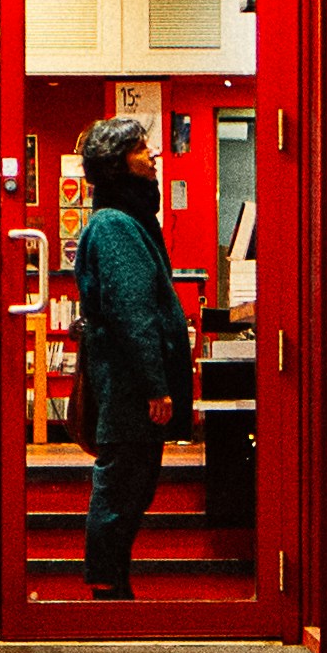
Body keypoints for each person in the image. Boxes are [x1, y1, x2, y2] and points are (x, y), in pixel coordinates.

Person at [73, 114, 194, 598]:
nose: (153, 156)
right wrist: (155, 385)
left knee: (132, 484)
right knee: (123, 485)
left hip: (128, 382)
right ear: (118, 163)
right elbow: (132, 310)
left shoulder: (126, 220)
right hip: (128, 386)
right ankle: (107, 587)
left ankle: (112, 582)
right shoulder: (117, 226)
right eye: (142, 149)